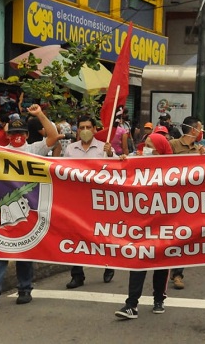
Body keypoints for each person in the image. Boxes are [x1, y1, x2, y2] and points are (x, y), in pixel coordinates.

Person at [0, 104, 60, 310]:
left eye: (21, 132)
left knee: (25, 251)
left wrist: (39, 114)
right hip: (4, 208)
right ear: (8, 134)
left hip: (29, 208)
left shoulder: (34, 149)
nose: (17, 136)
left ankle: (25, 289)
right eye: (14, 133)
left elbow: (53, 135)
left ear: (26, 134)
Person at [115, 133, 173, 319]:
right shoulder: (136, 161)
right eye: (144, 144)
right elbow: (119, 171)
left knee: (161, 262)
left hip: (164, 221)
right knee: (138, 259)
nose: (144, 148)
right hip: (141, 222)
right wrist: (123, 161)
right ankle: (131, 304)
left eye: (149, 145)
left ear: (159, 149)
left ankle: (159, 298)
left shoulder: (175, 169)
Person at [63, 115, 116, 289]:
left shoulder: (104, 148)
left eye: (88, 127)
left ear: (94, 129)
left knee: (102, 234)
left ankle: (109, 264)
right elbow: (62, 171)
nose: (85, 130)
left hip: (99, 199)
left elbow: (117, 169)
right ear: (78, 130)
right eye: (82, 127)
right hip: (77, 200)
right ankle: (77, 275)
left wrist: (110, 154)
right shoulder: (70, 149)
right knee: (76, 235)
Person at [168, 116, 205, 289]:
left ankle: (177, 273)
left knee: (182, 237)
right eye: (200, 128)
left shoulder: (199, 149)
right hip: (169, 198)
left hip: (189, 201)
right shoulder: (172, 145)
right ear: (194, 130)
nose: (201, 131)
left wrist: (204, 158)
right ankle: (165, 267)